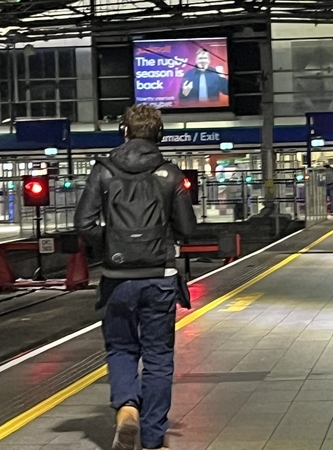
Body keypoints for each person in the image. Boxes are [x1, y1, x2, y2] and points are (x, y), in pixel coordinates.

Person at [75, 104, 197, 450]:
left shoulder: (103, 171)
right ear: (159, 135)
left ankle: (127, 407)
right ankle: (154, 436)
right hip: (160, 276)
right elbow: (187, 228)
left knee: (121, 347)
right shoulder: (171, 174)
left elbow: (83, 224)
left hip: (117, 278)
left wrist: (112, 241)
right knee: (158, 356)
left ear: (124, 133)